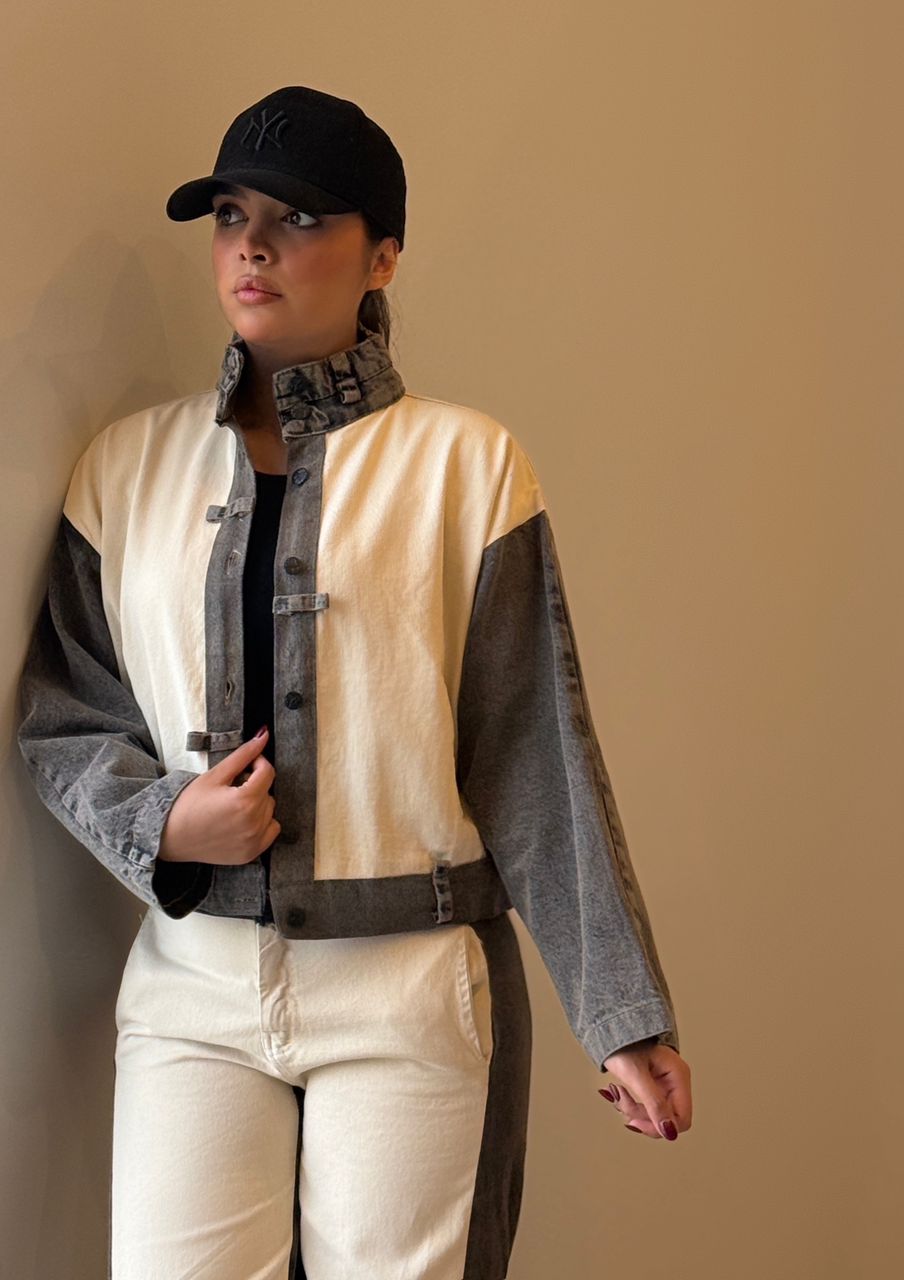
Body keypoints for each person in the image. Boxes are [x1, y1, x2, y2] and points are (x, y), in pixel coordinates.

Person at [16, 85, 692, 1279]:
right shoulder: (123, 466)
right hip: (191, 987)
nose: (253, 246)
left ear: (384, 255)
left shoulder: (469, 465)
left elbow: (532, 750)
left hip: (410, 987)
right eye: (231, 215)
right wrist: (163, 819)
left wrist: (621, 1012)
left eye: (299, 218)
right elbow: (66, 711)